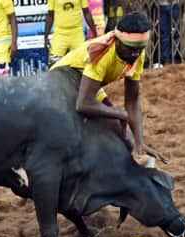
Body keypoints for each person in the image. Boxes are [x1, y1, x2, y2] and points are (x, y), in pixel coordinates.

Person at [51, 12, 163, 161]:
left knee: (122, 133)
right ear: (117, 41)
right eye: (130, 48)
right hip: (64, 80)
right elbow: (83, 103)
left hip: (88, 83)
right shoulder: (103, 53)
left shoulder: (137, 54)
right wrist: (119, 114)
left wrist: (139, 142)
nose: (135, 53)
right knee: (110, 125)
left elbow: (132, 101)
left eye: (139, 49)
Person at [44, 0, 97, 65]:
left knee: (83, 64)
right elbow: (50, 15)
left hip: (77, 33)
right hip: (60, 34)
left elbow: (86, 13)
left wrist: (94, 32)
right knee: (54, 65)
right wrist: (45, 37)